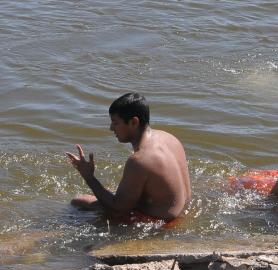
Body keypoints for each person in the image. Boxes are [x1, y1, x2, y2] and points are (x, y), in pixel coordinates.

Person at [66, 92, 191, 223]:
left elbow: (118, 209)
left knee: (79, 201)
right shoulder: (170, 138)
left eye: (115, 123)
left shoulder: (139, 160)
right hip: (182, 210)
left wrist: (88, 177)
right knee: (113, 192)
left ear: (133, 122)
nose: (111, 128)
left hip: (161, 223)